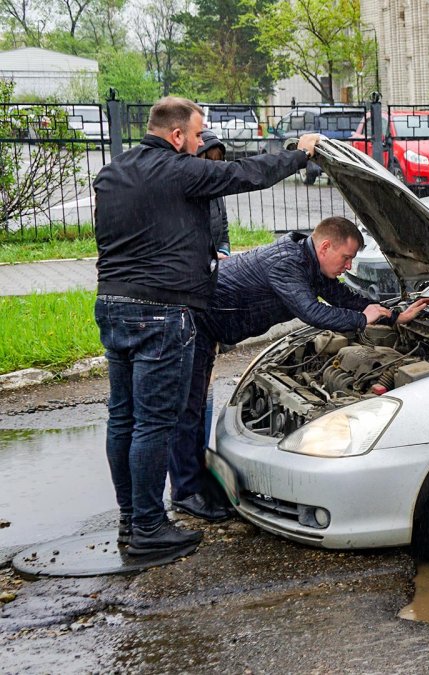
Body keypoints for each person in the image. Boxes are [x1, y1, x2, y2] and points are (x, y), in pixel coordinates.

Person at [93, 95, 320, 558]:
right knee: (155, 423)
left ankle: (131, 520)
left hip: (112, 305)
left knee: (124, 417)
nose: (199, 145)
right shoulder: (179, 169)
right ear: (176, 135)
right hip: (162, 312)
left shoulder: (112, 172)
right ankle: (150, 531)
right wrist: (301, 152)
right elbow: (246, 174)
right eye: (196, 136)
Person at [169, 216, 429, 520]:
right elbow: (311, 311)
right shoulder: (287, 264)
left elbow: (343, 297)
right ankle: (186, 493)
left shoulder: (311, 261)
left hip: (207, 326)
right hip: (192, 322)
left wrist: (394, 316)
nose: (348, 266)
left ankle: (195, 479)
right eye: (346, 257)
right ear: (324, 247)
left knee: (194, 406)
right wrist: (362, 321)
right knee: (188, 409)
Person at [197, 130, 231, 259]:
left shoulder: (215, 190)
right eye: (209, 161)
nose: (214, 168)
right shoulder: (188, 192)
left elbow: (224, 228)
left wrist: (224, 251)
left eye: (218, 162)